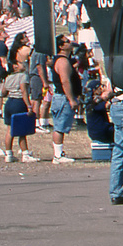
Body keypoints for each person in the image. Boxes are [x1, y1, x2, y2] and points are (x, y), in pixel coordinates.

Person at [47, 35, 79, 163]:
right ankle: (58, 155)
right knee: (60, 126)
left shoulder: (66, 60)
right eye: (67, 42)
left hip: (61, 97)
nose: (70, 43)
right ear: (61, 46)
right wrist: (71, 99)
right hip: (63, 97)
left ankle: (59, 153)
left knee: (60, 126)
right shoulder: (62, 61)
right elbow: (65, 81)